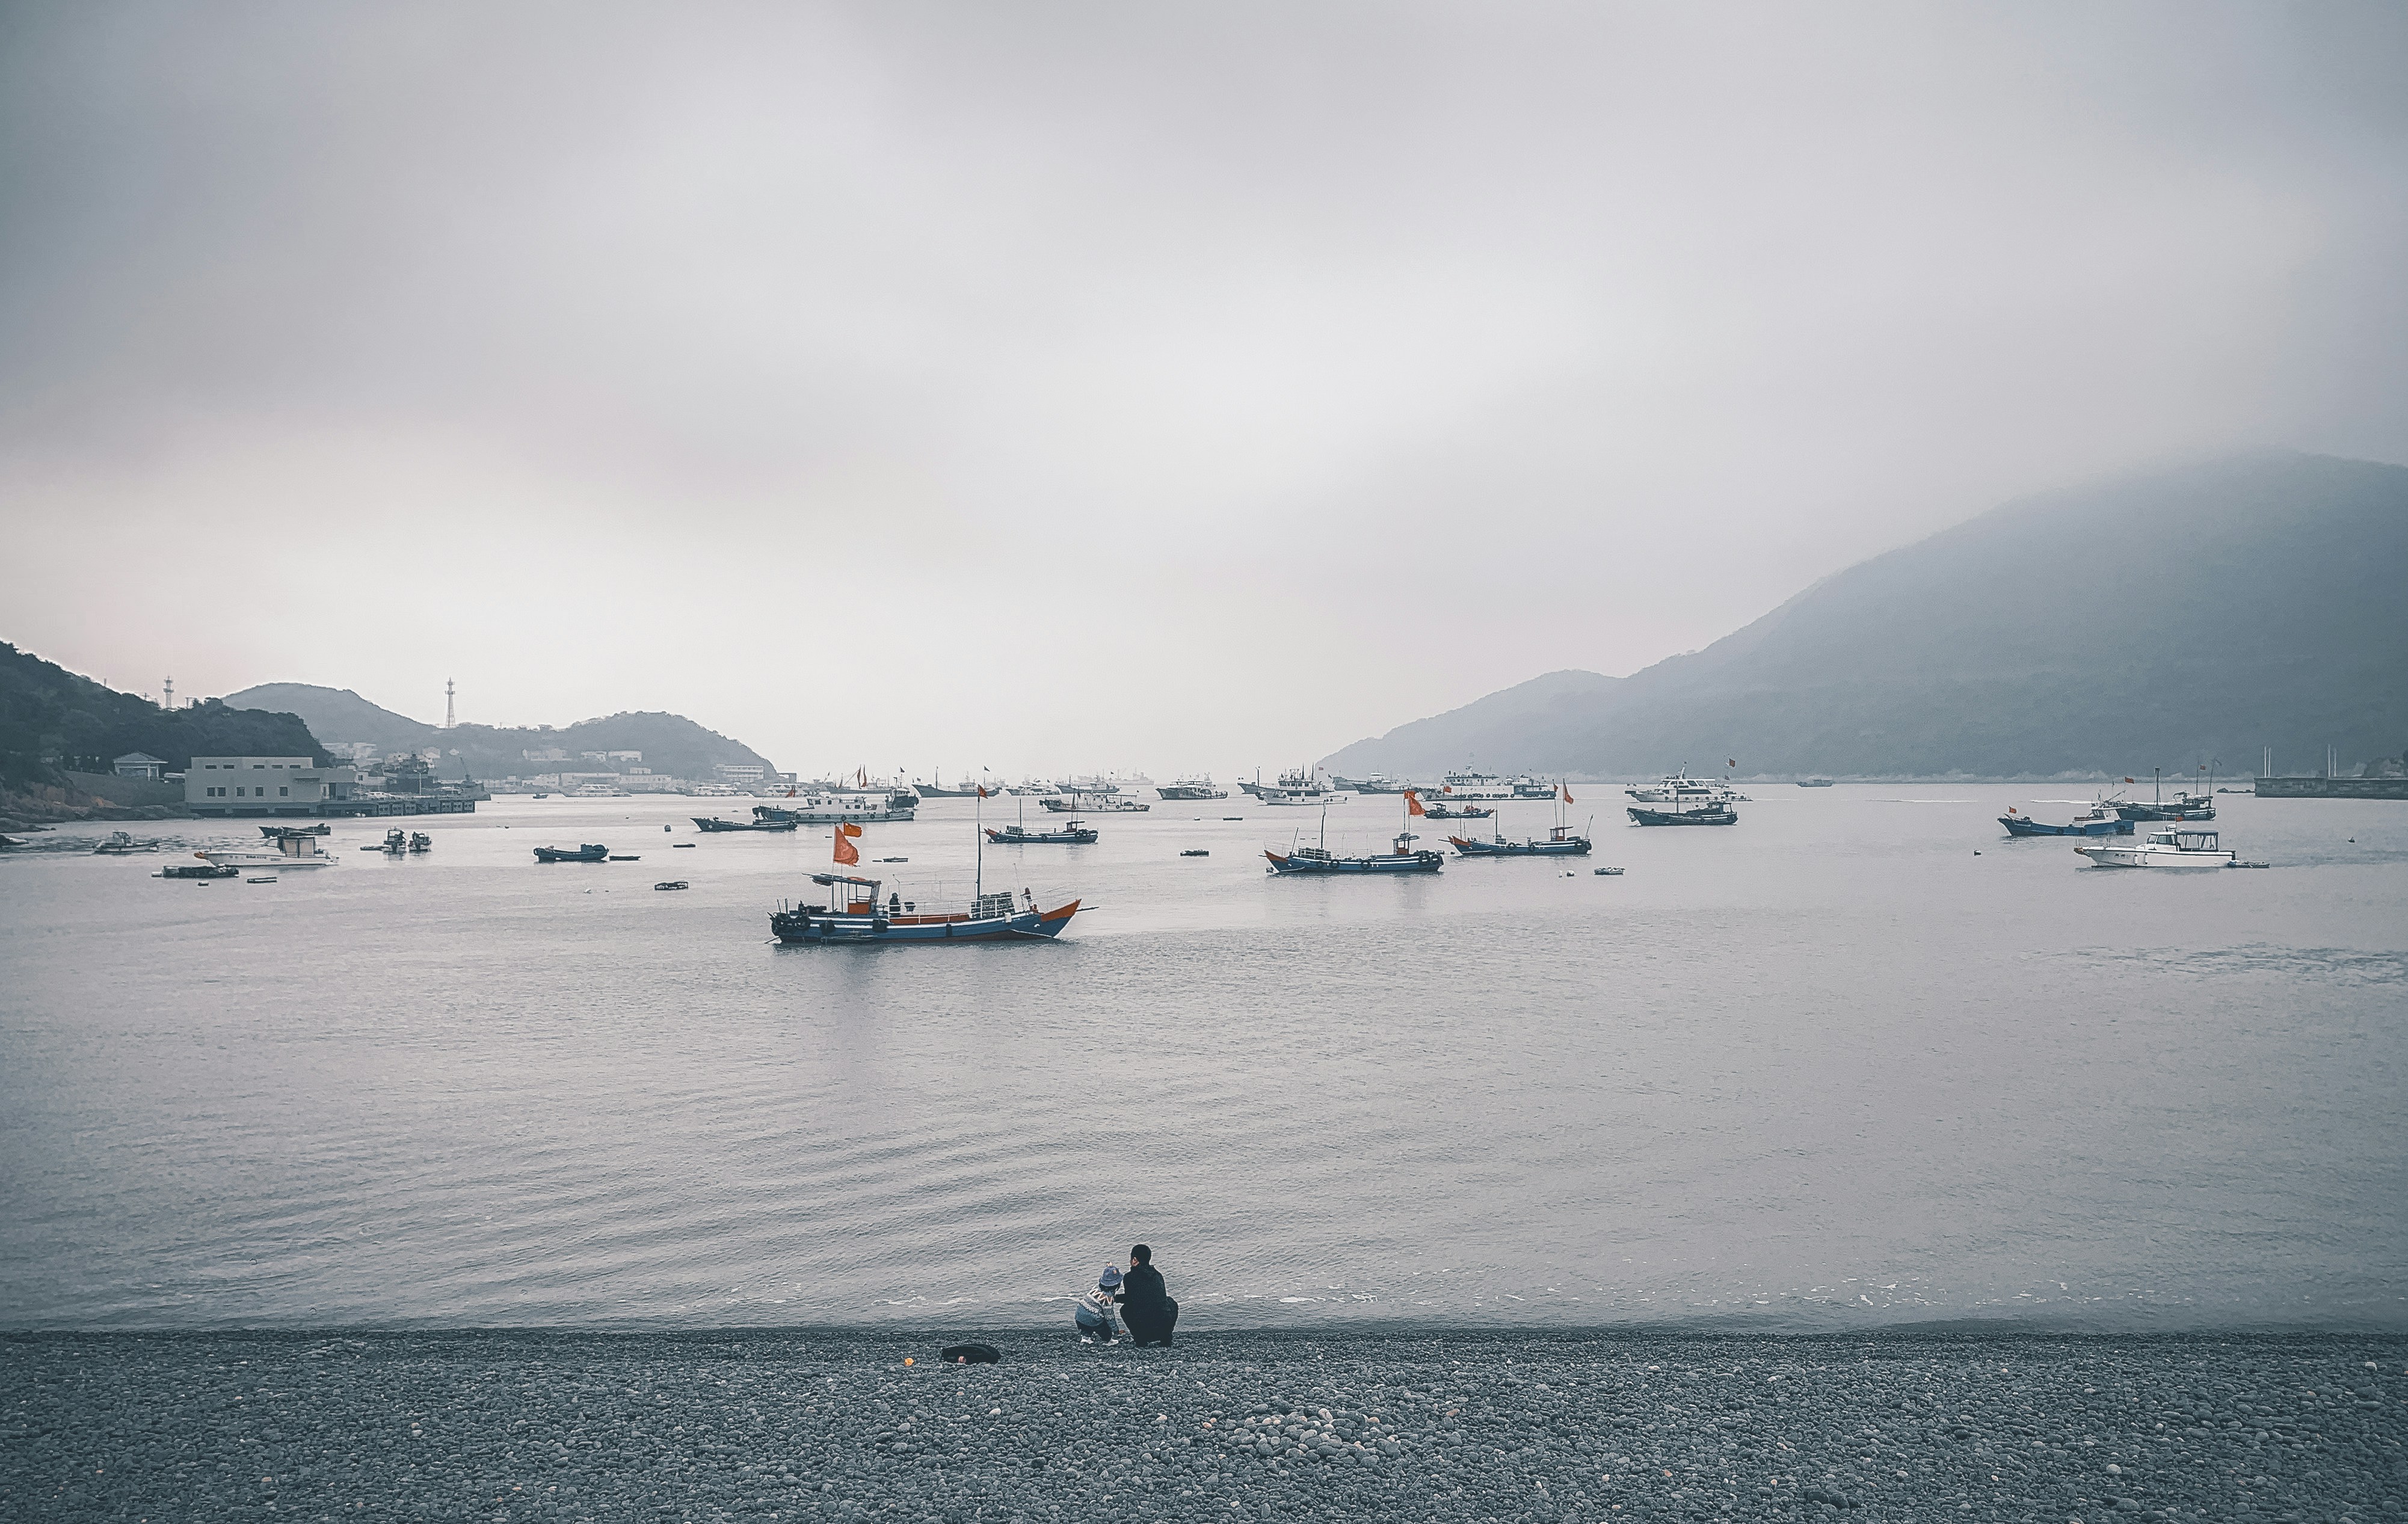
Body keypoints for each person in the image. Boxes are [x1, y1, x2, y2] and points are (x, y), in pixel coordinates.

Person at [1114, 1243, 1177, 1347]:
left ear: (1134, 1260)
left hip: (1145, 1328)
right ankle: (1166, 1338)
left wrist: (1113, 1298)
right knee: (1171, 1302)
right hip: (1162, 1326)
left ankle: (1141, 1340)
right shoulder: (1158, 1275)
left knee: (1125, 1309)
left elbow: (1130, 1299)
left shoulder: (1130, 1277)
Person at [1074, 1266, 1124, 1344]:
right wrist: (1115, 1330)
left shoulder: (1096, 1289)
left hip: (1079, 1316)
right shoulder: (1108, 1298)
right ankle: (1109, 1341)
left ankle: (1086, 1337)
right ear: (1117, 1285)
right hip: (1093, 1320)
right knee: (1104, 1328)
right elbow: (1110, 1317)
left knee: (1088, 1320)